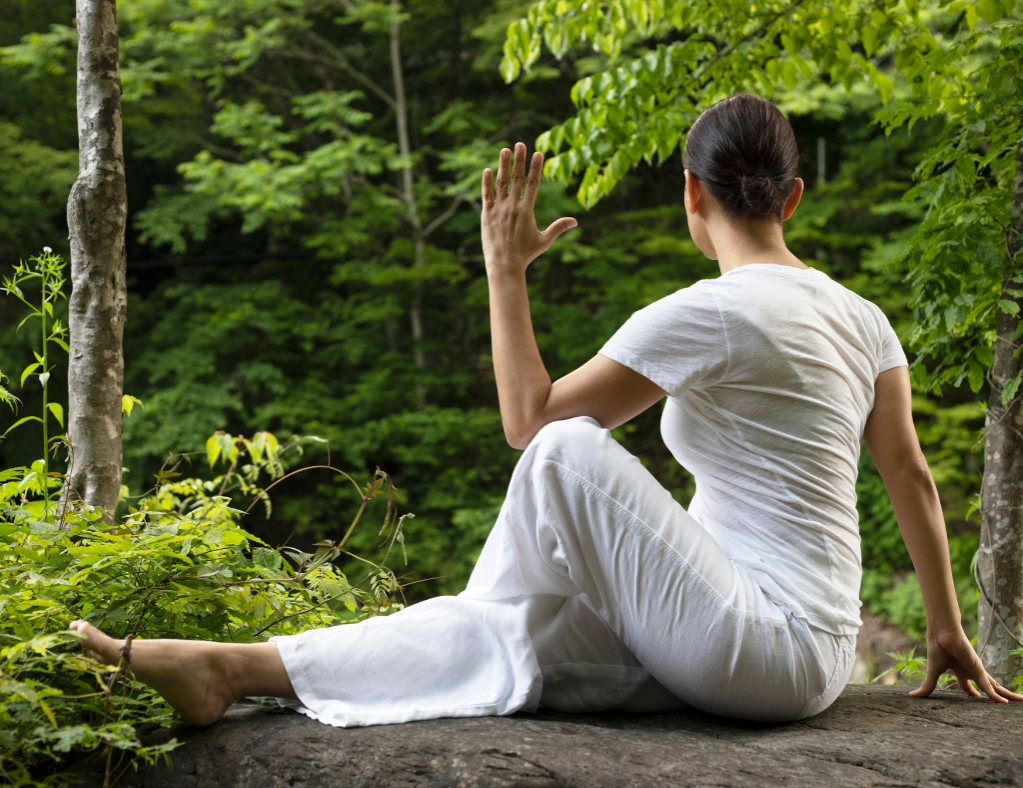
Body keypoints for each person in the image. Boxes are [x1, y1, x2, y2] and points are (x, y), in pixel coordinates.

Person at [70, 93, 1023, 728]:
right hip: (804, 651)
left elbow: (531, 424)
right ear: (795, 198)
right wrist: (945, 624)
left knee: (567, 452)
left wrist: (504, 270)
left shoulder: (707, 310)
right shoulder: (860, 315)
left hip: (751, 646)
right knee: (520, 647)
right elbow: (911, 475)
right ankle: (229, 669)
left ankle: (461, 615)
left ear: (690, 196)